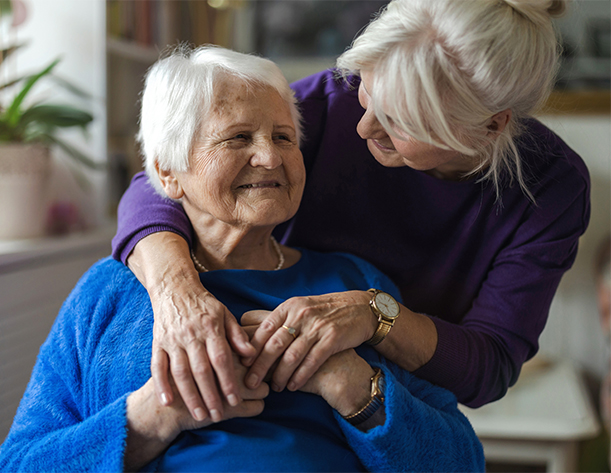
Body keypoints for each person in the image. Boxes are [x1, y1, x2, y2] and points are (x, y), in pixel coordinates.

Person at [0, 46, 484, 472]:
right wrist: (157, 414)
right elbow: (18, 465)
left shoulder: (356, 285)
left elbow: (461, 461)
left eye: (284, 137)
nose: (270, 158)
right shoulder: (109, 292)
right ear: (168, 172)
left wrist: (353, 384)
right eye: (237, 138)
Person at [112, 0, 591, 423]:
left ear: (489, 126)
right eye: (368, 91)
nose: (363, 127)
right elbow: (161, 183)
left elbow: (489, 366)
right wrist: (179, 296)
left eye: (400, 119)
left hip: (389, 402)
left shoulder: (551, 188)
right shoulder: (331, 100)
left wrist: (375, 315)